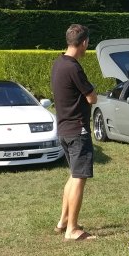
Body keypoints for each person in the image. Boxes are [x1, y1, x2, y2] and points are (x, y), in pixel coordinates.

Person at [50, 24, 99, 241]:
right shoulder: (74, 67)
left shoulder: (59, 63)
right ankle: (72, 229)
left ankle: (63, 222)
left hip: (64, 129)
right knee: (79, 178)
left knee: (73, 175)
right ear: (84, 43)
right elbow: (91, 97)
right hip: (78, 130)